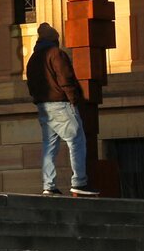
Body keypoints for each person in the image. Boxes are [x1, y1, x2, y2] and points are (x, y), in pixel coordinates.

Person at [26, 24, 97, 196]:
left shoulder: (33, 59)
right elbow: (66, 78)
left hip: (43, 106)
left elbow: (31, 84)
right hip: (60, 104)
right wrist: (74, 99)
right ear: (54, 39)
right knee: (77, 141)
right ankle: (79, 181)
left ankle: (48, 185)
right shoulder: (56, 54)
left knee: (49, 146)